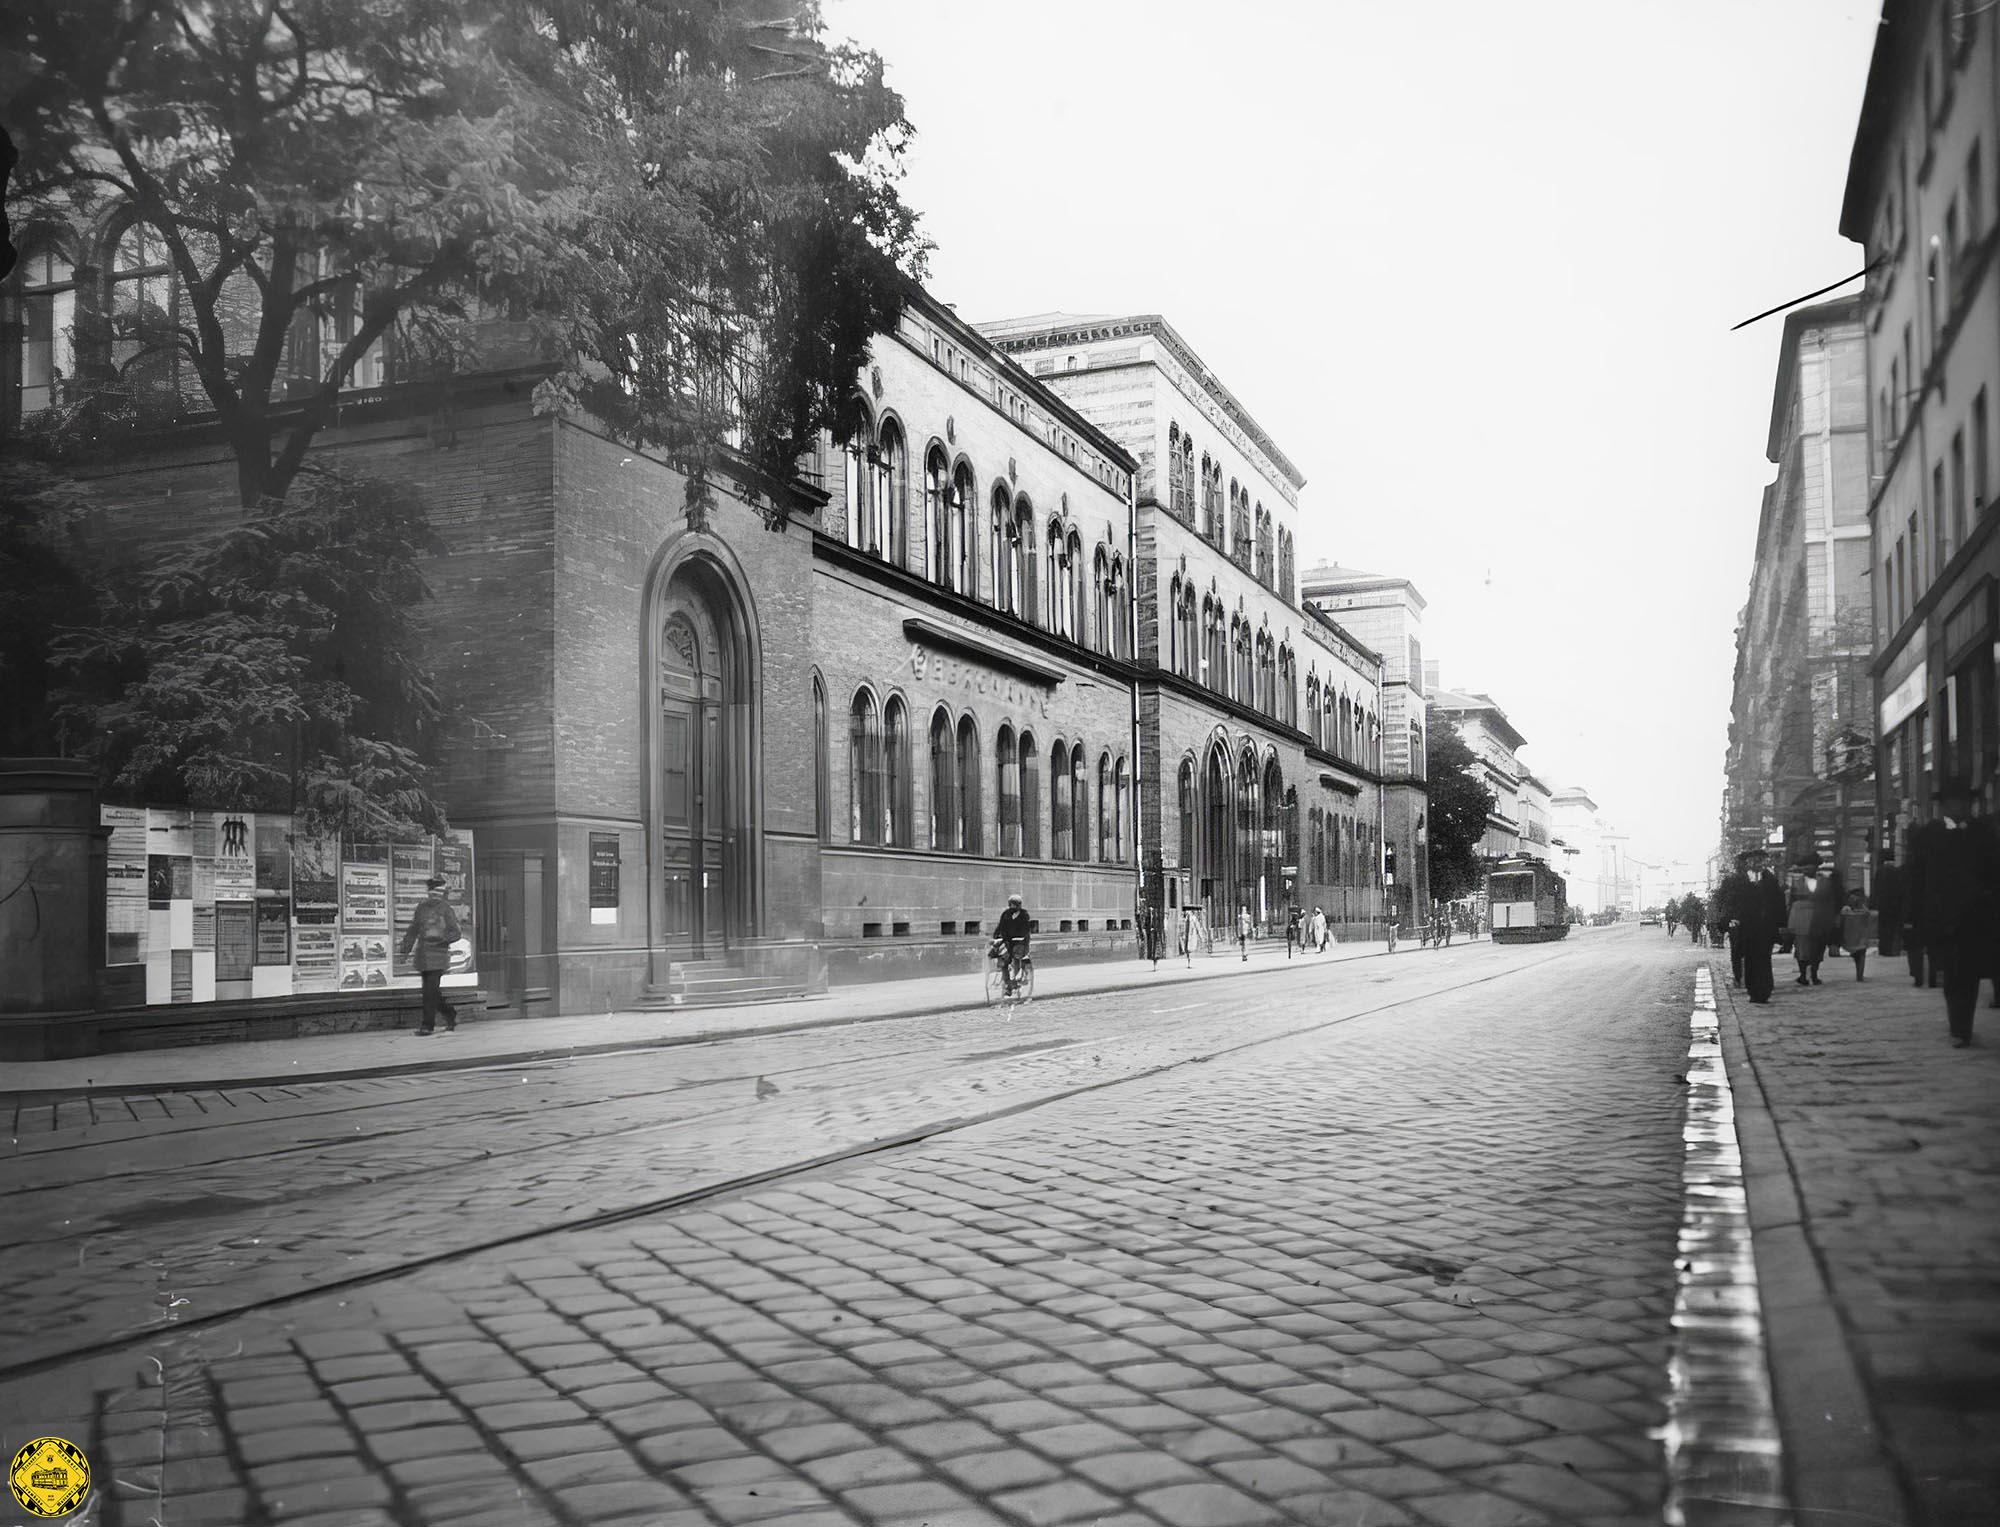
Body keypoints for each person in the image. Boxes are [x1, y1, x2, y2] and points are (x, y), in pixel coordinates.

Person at [1905, 776, 2000, 1048]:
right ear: (1944, 806)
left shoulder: (1983, 833)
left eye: (1962, 802)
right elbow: (1916, 879)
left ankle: (1963, 1028)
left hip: (1976, 918)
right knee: (1951, 974)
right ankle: (1957, 1025)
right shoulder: (1928, 835)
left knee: (1968, 975)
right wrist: (1913, 917)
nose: (1958, 807)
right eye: (1953, 802)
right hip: (1941, 918)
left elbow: (1994, 873)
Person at [400, 874, 463, 1036]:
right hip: (423, 956)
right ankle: (450, 1014)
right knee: (430, 992)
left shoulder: (446, 909)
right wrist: (404, 950)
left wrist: (442, 940)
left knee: (430, 991)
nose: (435, 896)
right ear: (429, 893)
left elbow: (456, 933)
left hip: (439, 956)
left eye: (438, 893)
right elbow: (413, 930)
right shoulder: (421, 908)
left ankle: (427, 1026)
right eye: (433, 893)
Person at [1733, 847, 1785, 1004]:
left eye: (1760, 860)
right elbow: (1736, 903)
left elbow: (1779, 903)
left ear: (1764, 862)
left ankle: (1764, 990)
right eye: (1754, 860)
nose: (1757, 863)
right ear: (1748, 862)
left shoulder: (1770, 879)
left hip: (1766, 928)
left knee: (1764, 959)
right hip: (1748, 927)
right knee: (1750, 959)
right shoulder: (1741, 880)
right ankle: (1752, 990)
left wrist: (1781, 924)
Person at [1785, 852, 1841, 986]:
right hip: (1801, 919)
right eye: (1804, 868)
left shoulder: (1826, 882)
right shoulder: (1796, 883)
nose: (1807, 870)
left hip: (1820, 918)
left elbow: (1831, 901)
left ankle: (1814, 974)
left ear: (1816, 868)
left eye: (1810, 867)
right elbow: (1791, 903)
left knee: (1818, 947)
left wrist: (1833, 917)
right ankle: (1803, 975)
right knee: (1802, 948)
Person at [1715, 855, 1752, 987]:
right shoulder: (1747, 881)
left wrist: (1725, 920)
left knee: (1737, 951)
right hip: (1743, 921)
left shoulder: (1730, 882)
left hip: (1737, 921)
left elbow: (1721, 902)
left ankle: (1739, 977)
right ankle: (1742, 977)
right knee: (1742, 950)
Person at [993, 894, 1033, 993]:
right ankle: (1007, 982)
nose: (1013, 907)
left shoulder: (1024, 914)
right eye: (1012, 904)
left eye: (1015, 905)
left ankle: (1016, 980)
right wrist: (996, 937)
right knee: (1004, 961)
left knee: (1017, 959)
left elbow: (1026, 929)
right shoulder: (1006, 914)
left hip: (1020, 942)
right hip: (1008, 941)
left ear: (1019, 905)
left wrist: (1021, 938)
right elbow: (1000, 926)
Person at [1839, 888, 1872, 981]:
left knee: (1859, 955)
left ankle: (1860, 975)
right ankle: (1860, 975)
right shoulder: (1859, 910)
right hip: (1858, 936)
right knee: (1860, 955)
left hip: (1855, 937)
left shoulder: (1848, 910)